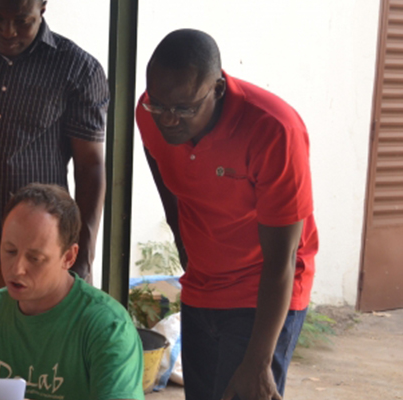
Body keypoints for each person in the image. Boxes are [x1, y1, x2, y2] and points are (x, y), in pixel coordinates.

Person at [136, 29, 319, 400]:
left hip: (264, 286)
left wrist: (258, 363)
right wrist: (179, 234)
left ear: (217, 89)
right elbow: (160, 165)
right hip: (204, 280)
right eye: (161, 106)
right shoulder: (149, 112)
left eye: (184, 108)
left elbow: (280, 260)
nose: (169, 119)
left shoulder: (273, 130)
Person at [0, 0, 109, 318]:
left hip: (38, 256)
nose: (7, 31)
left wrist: (83, 258)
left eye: (22, 20)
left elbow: (91, 168)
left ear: (43, 6)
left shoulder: (78, 69)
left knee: (35, 358)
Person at [0, 183, 144, 400]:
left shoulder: (108, 328)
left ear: (69, 257)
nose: (17, 269)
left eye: (35, 258)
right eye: (10, 251)